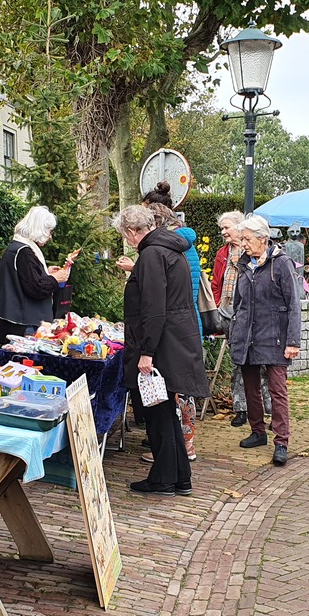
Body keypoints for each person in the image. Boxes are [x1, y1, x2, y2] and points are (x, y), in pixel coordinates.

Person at [113, 206, 209, 496]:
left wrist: (147, 352)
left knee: (158, 412)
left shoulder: (153, 254)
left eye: (124, 235)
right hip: (176, 337)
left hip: (163, 343)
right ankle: (180, 477)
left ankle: (165, 478)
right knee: (165, 411)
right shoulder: (170, 249)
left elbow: (154, 308)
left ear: (131, 232)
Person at [230, 215, 301, 467]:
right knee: (250, 386)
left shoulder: (282, 264)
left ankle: (282, 441)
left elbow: (294, 304)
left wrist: (293, 341)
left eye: (247, 239)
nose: (243, 244)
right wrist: (233, 331)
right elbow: (238, 303)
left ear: (263, 238)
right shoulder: (243, 264)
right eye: (242, 239)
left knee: (277, 389)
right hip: (247, 336)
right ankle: (258, 431)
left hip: (275, 337)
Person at [212, 210, 273, 428]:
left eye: (227, 227)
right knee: (239, 363)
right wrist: (219, 306)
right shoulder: (223, 253)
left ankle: (269, 407)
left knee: (264, 364)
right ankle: (241, 408)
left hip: (255, 318)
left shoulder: (254, 253)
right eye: (222, 228)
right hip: (230, 315)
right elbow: (216, 282)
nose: (223, 232)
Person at [0, 206, 70, 343]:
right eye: (49, 231)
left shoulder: (16, 247)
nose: (50, 236)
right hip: (24, 324)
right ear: (40, 229)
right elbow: (36, 288)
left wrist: (45, 273)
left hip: (16, 321)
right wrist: (54, 279)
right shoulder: (25, 252)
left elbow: (24, 278)